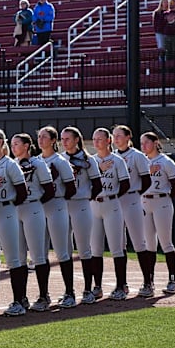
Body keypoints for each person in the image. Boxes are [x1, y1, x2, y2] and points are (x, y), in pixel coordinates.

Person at [0, 127, 28, 317]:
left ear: (1, 142)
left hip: (6, 211)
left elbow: (22, 192)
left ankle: (19, 300)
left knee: (13, 258)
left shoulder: (10, 165)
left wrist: (8, 206)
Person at [10, 134, 54, 312]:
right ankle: (21, 298)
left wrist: (36, 203)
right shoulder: (11, 163)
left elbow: (49, 189)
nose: (13, 147)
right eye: (12, 144)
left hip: (33, 208)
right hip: (14, 211)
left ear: (27, 145)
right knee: (18, 257)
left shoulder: (38, 163)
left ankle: (44, 296)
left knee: (38, 256)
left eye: (17, 143)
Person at [60, 127, 102, 305]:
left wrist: (86, 197)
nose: (64, 142)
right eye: (62, 139)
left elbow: (97, 184)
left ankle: (87, 290)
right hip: (62, 205)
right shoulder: (60, 159)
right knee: (64, 250)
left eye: (68, 138)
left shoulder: (88, 159)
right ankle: (69, 292)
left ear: (77, 139)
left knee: (84, 249)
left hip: (82, 204)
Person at [37, 126, 78, 308]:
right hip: (38, 208)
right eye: (39, 137)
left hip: (57, 205)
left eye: (44, 137)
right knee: (40, 253)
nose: (40, 140)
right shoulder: (36, 160)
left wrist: (58, 197)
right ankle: (43, 295)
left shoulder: (60, 161)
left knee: (62, 251)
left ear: (54, 140)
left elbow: (71, 188)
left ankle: (70, 292)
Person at [89, 128, 130, 301]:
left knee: (116, 247)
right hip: (93, 206)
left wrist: (112, 197)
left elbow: (125, 184)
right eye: (94, 139)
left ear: (109, 141)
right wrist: (98, 168)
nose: (96, 142)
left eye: (100, 139)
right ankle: (97, 287)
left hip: (111, 204)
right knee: (95, 248)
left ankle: (121, 285)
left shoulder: (117, 160)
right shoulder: (90, 161)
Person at [140, 132, 175, 296]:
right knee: (148, 244)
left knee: (166, 243)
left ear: (155, 143)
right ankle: (149, 283)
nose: (143, 146)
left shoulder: (166, 162)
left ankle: (173, 280)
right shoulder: (141, 161)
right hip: (144, 202)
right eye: (141, 143)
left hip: (161, 201)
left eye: (146, 143)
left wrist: (164, 199)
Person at [112, 125, 151, 296]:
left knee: (139, 243)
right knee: (118, 245)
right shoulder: (111, 157)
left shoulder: (137, 156)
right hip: (114, 202)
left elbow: (147, 181)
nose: (116, 139)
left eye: (119, 135)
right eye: (114, 136)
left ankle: (148, 283)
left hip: (132, 199)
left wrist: (136, 196)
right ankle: (121, 285)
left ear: (128, 137)